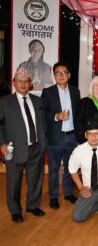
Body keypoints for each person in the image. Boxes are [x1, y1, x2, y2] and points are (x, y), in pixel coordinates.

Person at [0, 67, 47, 222]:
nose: (23, 84)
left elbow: (42, 124)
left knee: (35, 180)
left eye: (26, 81)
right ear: (14, 83)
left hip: (36, 148)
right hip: (13, 150)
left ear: (30, 83)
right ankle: (15, 211)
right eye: (19, 81)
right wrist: (2, 145)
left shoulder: (37, 100)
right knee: (13, 182)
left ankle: (33, 206)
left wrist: (43, 144)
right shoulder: (4, 102)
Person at [41, 62, 81, 209]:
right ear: (54, 75)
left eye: (64, 72)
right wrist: (57, 116)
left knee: (71, 167)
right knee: (53, 169)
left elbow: (78, 114)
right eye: (58, 72)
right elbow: (43, 113)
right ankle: (53, 196)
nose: (61, 75)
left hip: (72, 136)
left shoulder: (75, 92)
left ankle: (68, 193)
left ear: (69, 75)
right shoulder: (48, 92)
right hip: (55, 137)